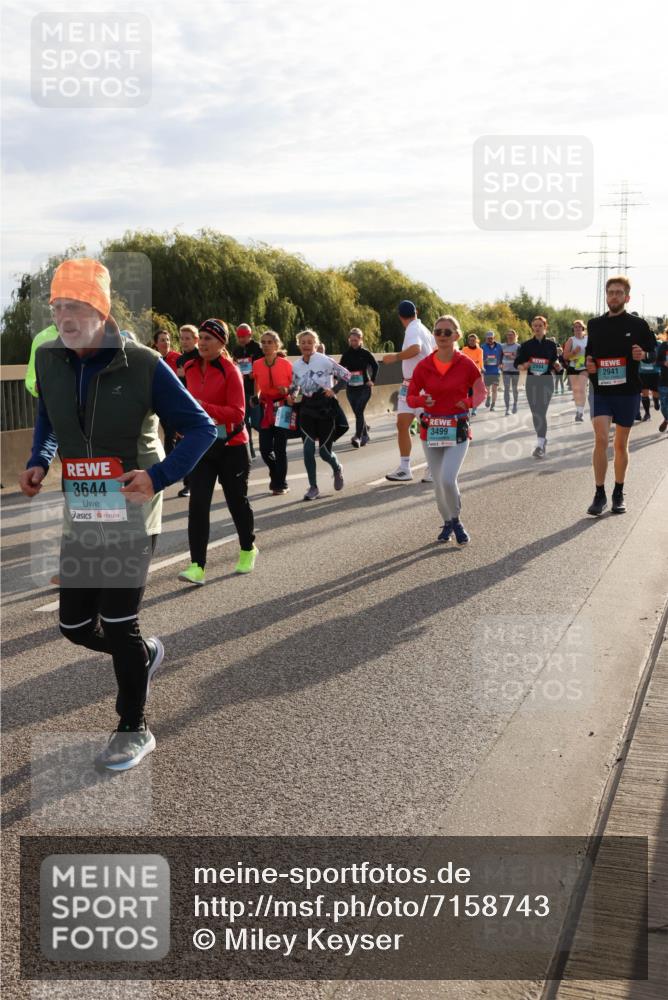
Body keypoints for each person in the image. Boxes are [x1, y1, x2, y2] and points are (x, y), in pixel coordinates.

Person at [19, 258, 216, 771]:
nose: (64, 316)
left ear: (101, 310)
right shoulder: (48, 359)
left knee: (118, 620)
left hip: (132, 506)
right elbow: (49, 416)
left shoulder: (145, 362)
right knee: (75, 626)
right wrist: (40, 459)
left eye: (76, 306)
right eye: (58, 306)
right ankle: (142, 657)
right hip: (83, 510)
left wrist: (158, 477)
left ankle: (133, 726)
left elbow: (201, 429)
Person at [179, 319, 258, 584]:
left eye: (208, 338)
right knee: (198, 504)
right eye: (200, 337)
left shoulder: (230, 370)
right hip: (202, 446)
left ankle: (248, 548)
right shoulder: (189, 368)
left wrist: (204, 407)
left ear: (221, 343)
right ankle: (197, 566)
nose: (201, 342)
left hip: (231, 445)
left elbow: (238, 412)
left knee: (237, 501)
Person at [406, 315, 486, 545]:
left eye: (447, 332)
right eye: (438, 332)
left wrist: (470, 403)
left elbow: (480, 392)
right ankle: (448, 521)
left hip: (458, 427)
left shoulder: (466, 364)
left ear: (457, 336)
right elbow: (410, 397)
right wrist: (422, 400)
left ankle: (456, 519)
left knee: (448, 479)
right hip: (431, 429)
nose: (442, 336)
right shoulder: (425, 366)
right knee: (438, 482)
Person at [585, 276, 657, 515]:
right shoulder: (594, 324)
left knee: (620, 444)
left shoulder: (638, 325)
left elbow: (653, 352)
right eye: (610, 292)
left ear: (627, 297)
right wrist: (590, 364)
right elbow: (590, 354)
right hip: (601, 390)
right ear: (606, 296)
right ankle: (599, 493)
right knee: (601, 439)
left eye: (618, 292)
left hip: (627, 390)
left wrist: (643, 355)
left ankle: (618, 491)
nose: (613, 296)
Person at [288, 329, 350, 501]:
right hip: (307, 409)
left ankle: (337, 468)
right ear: (298, 345)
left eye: (309, 342)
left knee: (324, 452)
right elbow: (294, 385)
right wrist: (292, 395)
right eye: (303, 342)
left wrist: (334, 389)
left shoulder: (324, 361)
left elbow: (346, 375)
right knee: (307, 450)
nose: (306, 345)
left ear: (315, 344)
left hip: (326, 409)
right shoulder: (296, 365)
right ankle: (313, 487)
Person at [383, 300, 436, 482]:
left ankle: (432, 467)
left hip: (421, 385)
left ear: (400, 317)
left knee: (425, 426)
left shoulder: (414, 329)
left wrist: (396, 357)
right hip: (409, 385)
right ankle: (405, 468)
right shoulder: (423, 329)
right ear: (416, 311)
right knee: (402, 424)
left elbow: (415, 349)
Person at [252, 330, 293, 495]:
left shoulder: (286, 364)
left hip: (283, 407)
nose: (266, 345)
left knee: (280, 447)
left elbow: (296, 385)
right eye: (263, 342)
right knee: (264, 448)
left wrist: (288, 391)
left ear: (277, 345)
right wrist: (256, 396)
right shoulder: (257, 364)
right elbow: (257, 384)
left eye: (269, 342)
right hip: (266, 407)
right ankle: (275, 473)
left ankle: (280, 483)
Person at [514, 316, 562, 458]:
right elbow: (518, 362)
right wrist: (523, 365)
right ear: (532, 327)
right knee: (536, 413)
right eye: (535, 325)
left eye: (540, 325)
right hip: (532, 382)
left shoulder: (551, 345)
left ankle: (540, 443)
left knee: (541, 411)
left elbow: (554, 360)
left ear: (545, 327)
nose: (537, 328)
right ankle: (541, 440)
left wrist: (557, 364)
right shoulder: (526, 345)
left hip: (546, 381)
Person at [336, 328, 379, 447]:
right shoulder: (346, 354)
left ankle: (357, 437)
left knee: (359, 411)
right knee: (358, 413)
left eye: (355, 340)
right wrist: (335, 376)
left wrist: (372, 380)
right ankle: (365, 434)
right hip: (351, 388)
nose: (353, 343)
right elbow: (340, 368)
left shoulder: (365, 353)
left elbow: (375, 366)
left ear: (360, 340)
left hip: (364, 387)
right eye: (351, 340)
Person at [174, 324, 200, 497]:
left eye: (188, 338)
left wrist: (187, 374)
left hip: (200, 404)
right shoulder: (180, 360)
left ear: (196, 339)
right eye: (182, 338)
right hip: (184, 405)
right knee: (185, 445)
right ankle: (189, 484)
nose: (184, 342)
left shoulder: (201, 357)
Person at [231, 323, 264, 458]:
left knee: (257, 422)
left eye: (244, 336)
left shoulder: (258, 348)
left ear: (250, 335)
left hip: (255, 389)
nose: (241, 339)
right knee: (244, 422)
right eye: (239, 337)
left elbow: (262, 366)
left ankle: (267, 445)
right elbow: (234, 365)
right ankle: (250, 451)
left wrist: (255, 373)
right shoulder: (236, 350)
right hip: (242, 390)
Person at [563, 319, 589, 422]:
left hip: (584, 367)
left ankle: (580, 413)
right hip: (573, 367)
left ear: (583, 328)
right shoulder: (571, 340)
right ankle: (578, 410)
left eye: (579, 327)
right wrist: (574, 352)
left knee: (581, 389)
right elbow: (565, 356)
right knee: (576, 390)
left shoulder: (588, 339)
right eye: (575, 327)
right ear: (573, 329)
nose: (577, 329)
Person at [638, 330, 661, 421]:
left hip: (655, 373)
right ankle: (647, 413)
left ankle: (656, 401)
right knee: (644, 394)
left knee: (656, 394)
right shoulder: (639, 345)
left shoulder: (658, 344)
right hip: (642, 373)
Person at [461, 333, 484, 415]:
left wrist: (482, 368)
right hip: (465, 373)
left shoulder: (480, 350)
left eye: (473, 340)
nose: (471, 342)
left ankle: (474, 408)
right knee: (466, 392)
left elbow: (480, 361)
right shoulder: (464, 349)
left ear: (476, 341)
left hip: (475, 372)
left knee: (474, 392)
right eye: (470, 340)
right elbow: (462, 361)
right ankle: (466, 408)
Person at [481, 331, 503, 411]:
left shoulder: (500, 346)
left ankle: (493, 405)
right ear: (486, 339)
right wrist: (484, 362)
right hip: (487, 371)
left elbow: (503, 356)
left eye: (491, 338)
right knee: (487, 390)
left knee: (494, 389)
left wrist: (501, 363)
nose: (490, 340)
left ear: (494, 338)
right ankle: (488, 397)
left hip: (496, 371)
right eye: (488, 338)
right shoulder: (483, 347)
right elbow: (480, 358)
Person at [501, 329, 520, 415]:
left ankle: (515, 404)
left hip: (515, 370)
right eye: (508, 335)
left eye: (511, 335)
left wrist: (514, 357)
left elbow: (521, 358)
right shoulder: (503, 346)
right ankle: (507, 408)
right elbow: (499, 356)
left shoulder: (518, 346)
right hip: (506, 370)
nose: (510, 336)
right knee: (506, 389)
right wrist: (500, 364)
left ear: (515, 336)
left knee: (515, 389)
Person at [656, 334, 668, 433]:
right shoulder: (663, 346)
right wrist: (664, 363)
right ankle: (666, 418)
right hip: (664, 381)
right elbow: (657, 361)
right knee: (664, 406)